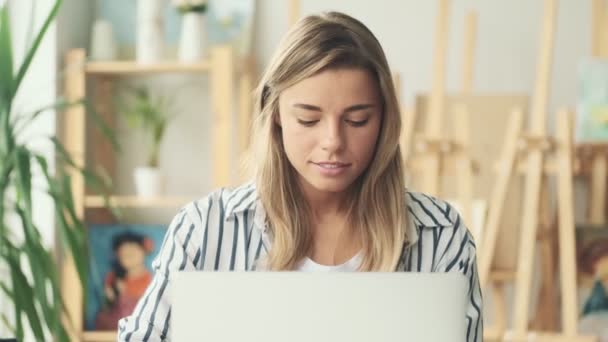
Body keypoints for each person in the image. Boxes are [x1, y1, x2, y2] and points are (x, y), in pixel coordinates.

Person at [118, 11, 483, 342]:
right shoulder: (205, 228)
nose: (333, 142)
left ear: (385, 119)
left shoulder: (440, 235)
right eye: (308, 119)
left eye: (358, 120)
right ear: (274, 113)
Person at [96, 231, 154, 330]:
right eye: (124, 254)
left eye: (133, 252)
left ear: (143, 252)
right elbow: (108, 300)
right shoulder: (114, 278)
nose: (129, 256)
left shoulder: (151, 279)